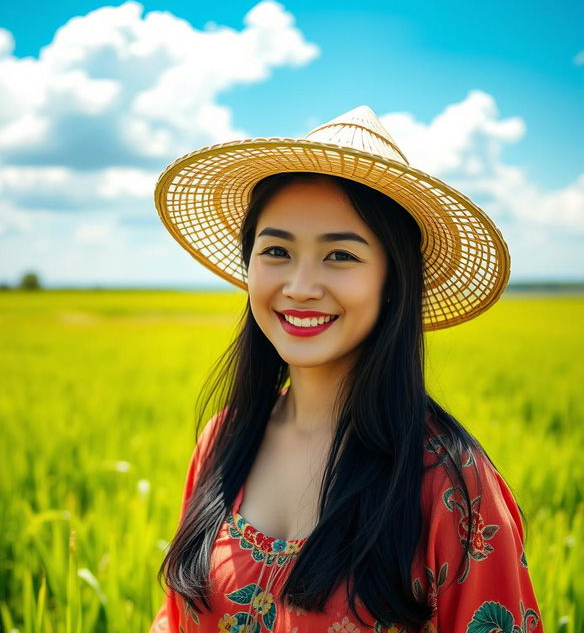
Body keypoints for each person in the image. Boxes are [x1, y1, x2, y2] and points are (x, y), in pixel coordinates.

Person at [148, 106, 543, 632]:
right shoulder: (224, 439)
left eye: (340, 256)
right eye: (276, 250)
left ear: (394, 281)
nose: (300, 285)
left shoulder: (451, 484)